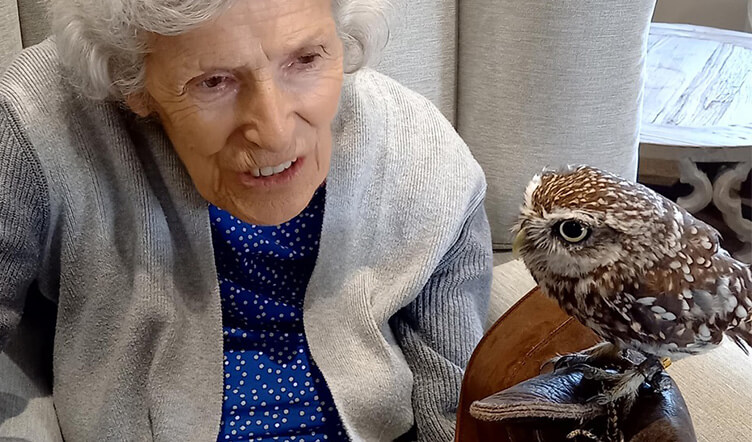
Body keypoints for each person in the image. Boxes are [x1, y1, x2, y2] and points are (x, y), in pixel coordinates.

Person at [0, 0, 492, 440]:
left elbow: (455, 409)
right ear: (134, 82)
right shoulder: (39, 128)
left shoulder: (426, 164)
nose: (274, 133)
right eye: (214, 81)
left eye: (306, 59)